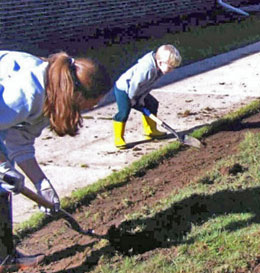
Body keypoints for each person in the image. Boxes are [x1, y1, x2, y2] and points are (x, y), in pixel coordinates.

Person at [0, 50, 111, 272]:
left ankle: (4, 259)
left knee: (3, 189)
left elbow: (19, 141)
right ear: (77, 96)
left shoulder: (52, 91)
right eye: (90, 105)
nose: (90, 110)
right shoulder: (28, 92)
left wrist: (40, 182)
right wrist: (2, 166)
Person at [112, 44, 182, 149]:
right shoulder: (147, 69)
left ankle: (150, 130)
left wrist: (141, 99)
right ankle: (118, 138)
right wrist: (132, 99)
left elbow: (148, 85)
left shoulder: (160, 69)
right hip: (125, 90)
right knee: (124, 112)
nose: (171, 70)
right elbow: (135, 85)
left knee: (152, 104)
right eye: (170, 67)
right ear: (160, 62)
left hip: (139, 90)